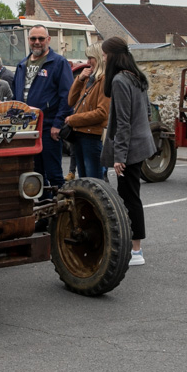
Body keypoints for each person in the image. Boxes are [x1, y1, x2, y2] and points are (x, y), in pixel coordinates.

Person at [100, 37, 155, 265]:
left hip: (131, 148)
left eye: (104, 54)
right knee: (131, 196)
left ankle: (136, 251)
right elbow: (148, 113)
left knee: (129, 198)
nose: (103, 58)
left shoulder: (120, 80)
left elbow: (123, 123)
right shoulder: (136, 76)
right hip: (141, 144)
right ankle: (134, 248)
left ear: (112, 56)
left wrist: (119, 158)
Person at [12, 24, 73, 186]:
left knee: (53, 174)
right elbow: (15, 96)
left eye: (41, 38)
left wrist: (58, 124)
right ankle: (43, 206)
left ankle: (60, 208)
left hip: (48, 128)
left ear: (48, 40)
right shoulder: (22, 65)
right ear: (28, 40)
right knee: (34, 174)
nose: (37, 42)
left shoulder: (58, 63)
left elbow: (67, 96)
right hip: (26, 128)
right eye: (33, 38)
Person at [64, 42, 110, 180]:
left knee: (94, 181)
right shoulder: (89, 79)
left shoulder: (104, 80)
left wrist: (73, 119)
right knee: (84, 180)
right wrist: (79, 79)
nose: (88, 62)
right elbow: (71, 101)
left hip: (91, 136)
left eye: (91, 58)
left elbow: (102, 113)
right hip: (79, 135)